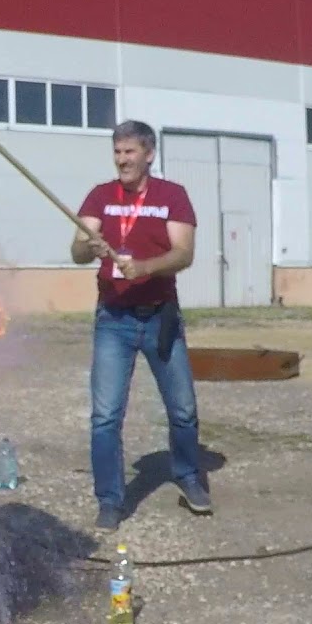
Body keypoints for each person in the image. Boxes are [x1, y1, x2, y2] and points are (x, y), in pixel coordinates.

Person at [69, 120, 211, 532]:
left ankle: (188, 477)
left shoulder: (172, 196)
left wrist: (145, 267)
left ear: (149, 154)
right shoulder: (100, 196)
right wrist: (87, 245)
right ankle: (110, 500)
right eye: (117, 151)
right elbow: (77, 250)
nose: (121, 159)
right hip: (113, 318)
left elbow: (184, 253)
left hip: (159, 315)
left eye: (129, 151)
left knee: (183, 409)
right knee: (105, 417)